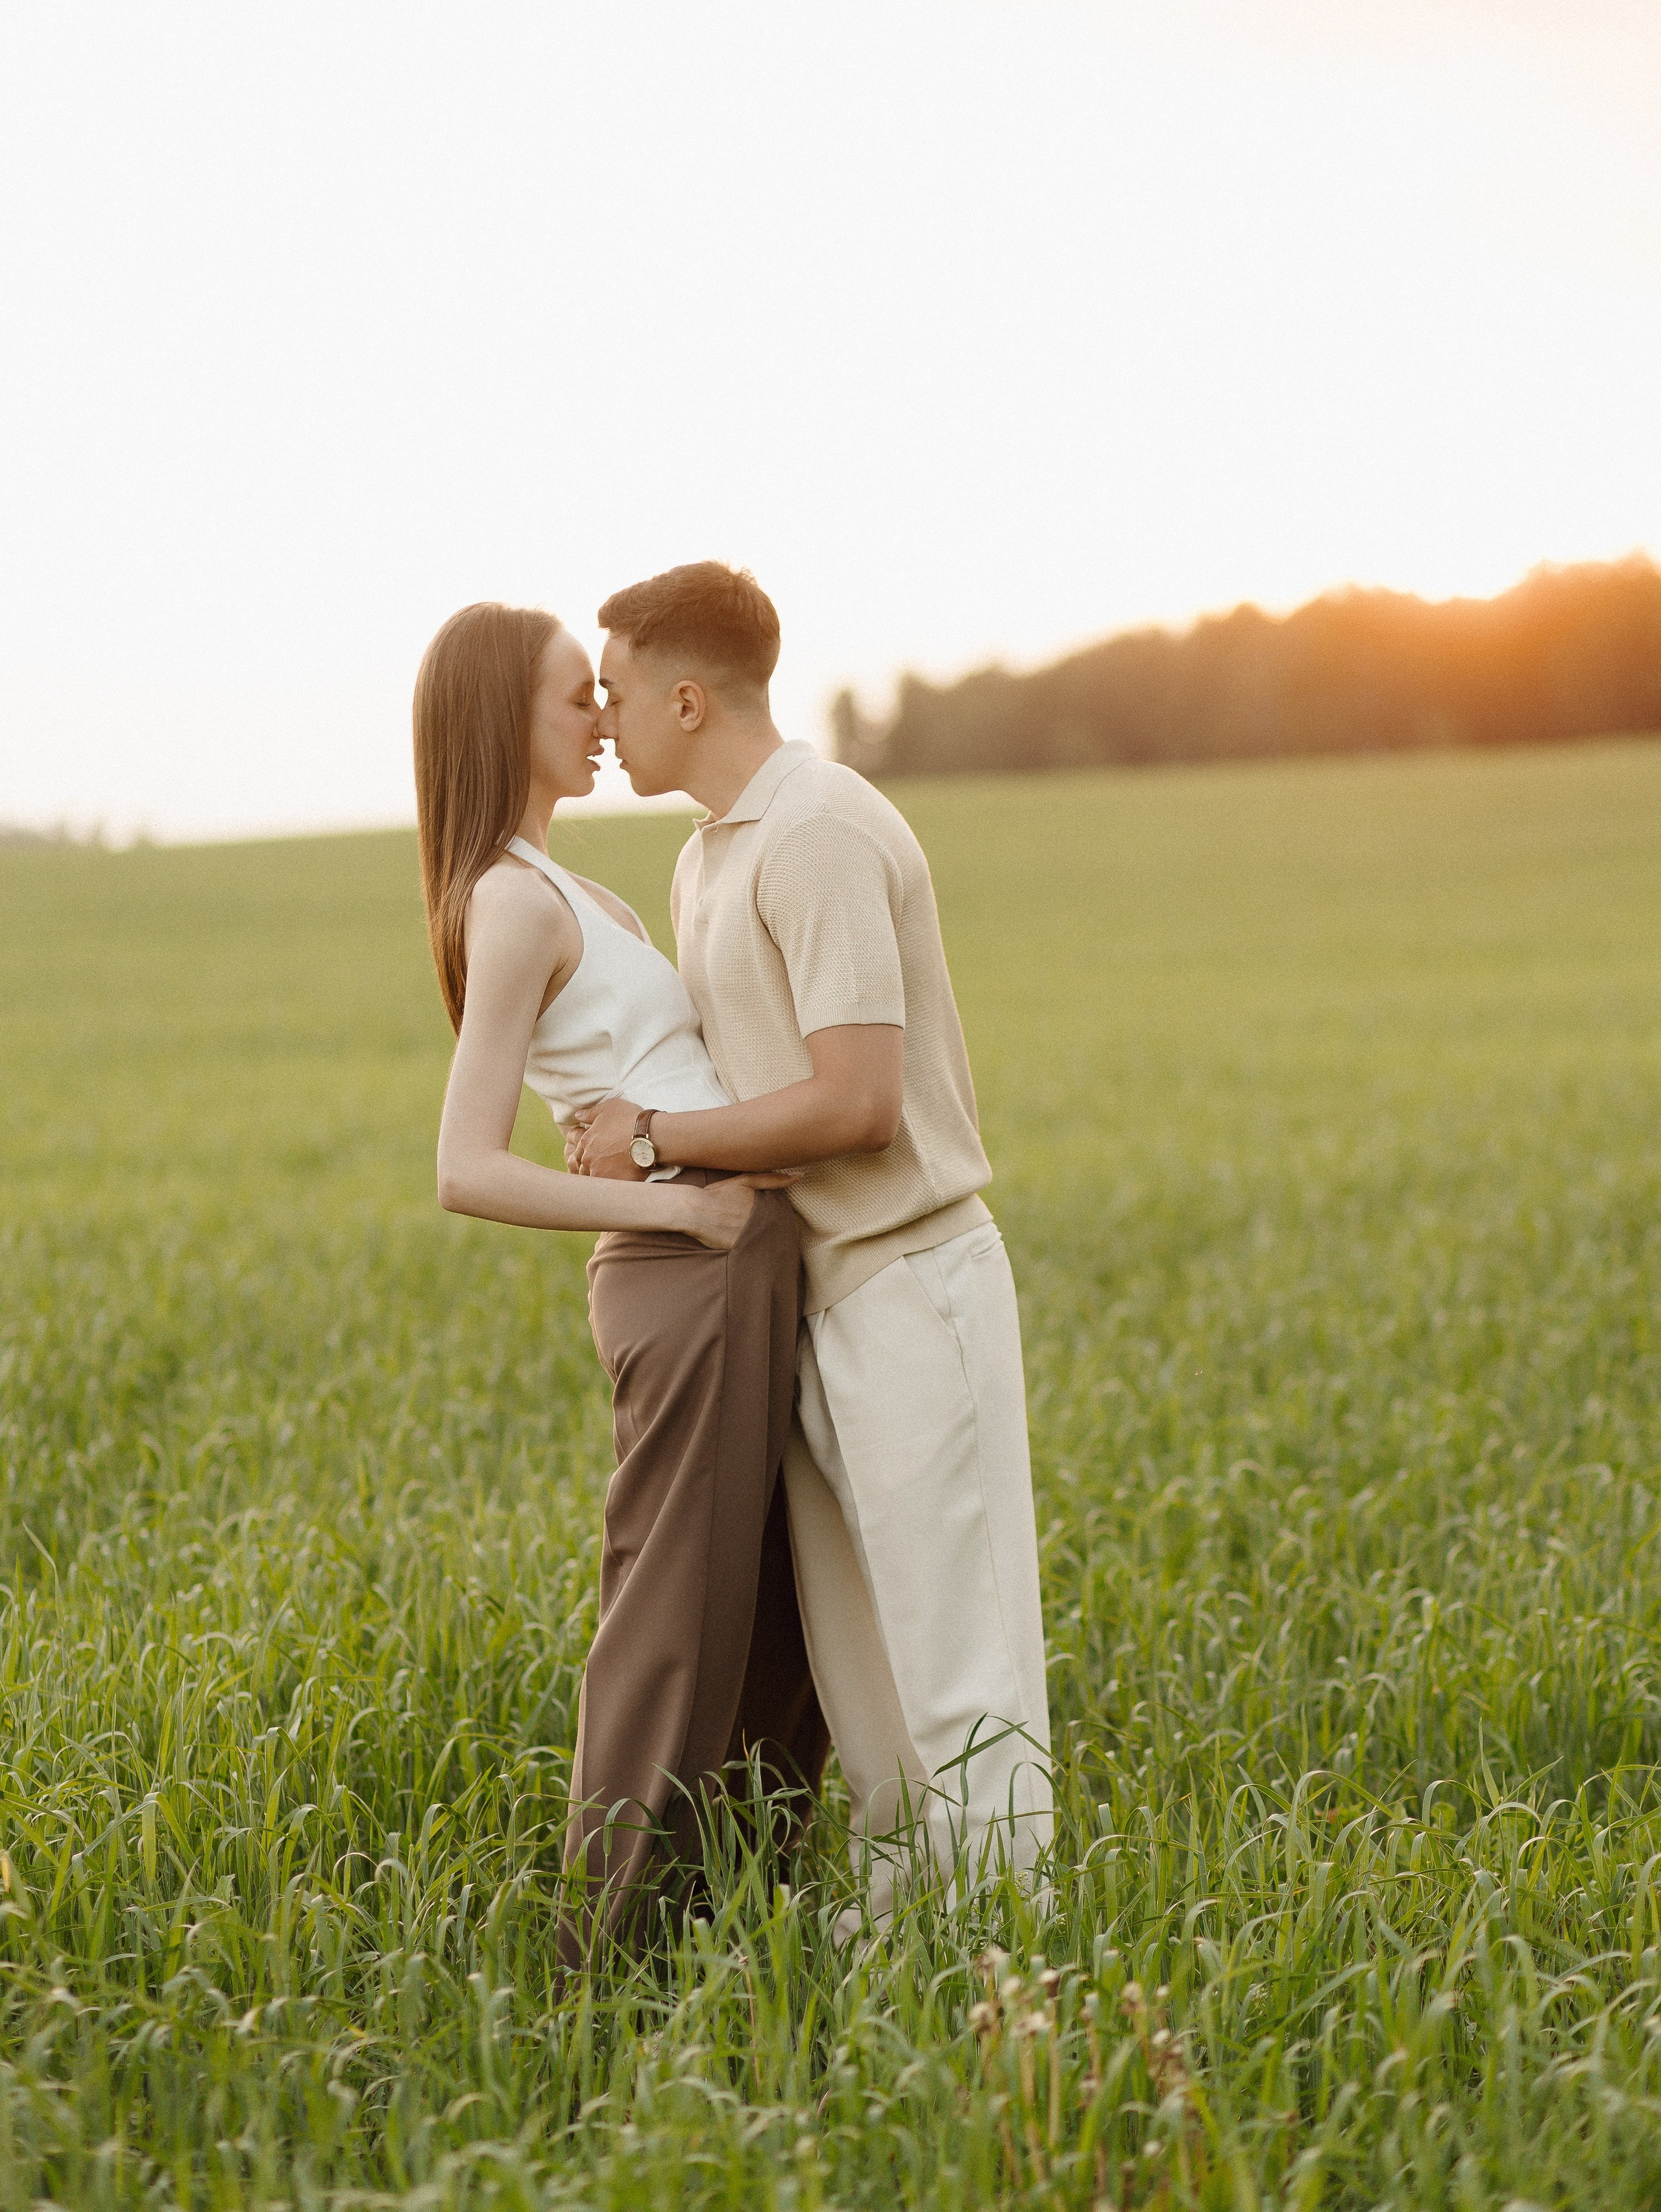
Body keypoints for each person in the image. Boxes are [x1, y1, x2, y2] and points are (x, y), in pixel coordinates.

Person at [570, 562, 1052, 1916]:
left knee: (957, 1663)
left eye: (614, 691)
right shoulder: (703, 856)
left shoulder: (818, 830)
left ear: (686, 697)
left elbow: (856, 1100)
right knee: (863, 1668)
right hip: (809, 1299)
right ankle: (913, 1941)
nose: (601, 719)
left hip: (908, 1280)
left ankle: (1012, 1949)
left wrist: (652, 1137)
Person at [411, 600, 827, 1966]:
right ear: (503, 718)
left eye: (600, 693)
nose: (602, 715)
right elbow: (467, 1166)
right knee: (672, 1609)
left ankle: (738, 1905)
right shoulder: (510, 900)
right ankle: (605, 1953)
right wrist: (685, 1209)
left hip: (726, 1255)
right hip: (680, 1268)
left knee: (769, 1601)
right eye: (573, 695)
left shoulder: (584, 894)